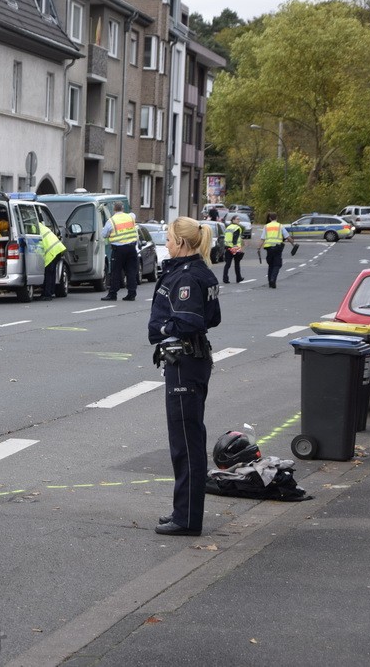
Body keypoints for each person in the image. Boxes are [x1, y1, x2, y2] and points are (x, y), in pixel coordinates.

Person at [148, 216, 221, 536]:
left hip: (185, 361)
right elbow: (214, 317)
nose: (165, 243)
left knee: (186, 444)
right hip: (190, 360)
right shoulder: (196, 271)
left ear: (182, 242)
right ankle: (183, 511)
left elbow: (190, 320)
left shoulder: (188, 277)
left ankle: (188, 519)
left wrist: (161, 329)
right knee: (185, 440)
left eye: (168, 239)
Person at [100, 201, 138, 302]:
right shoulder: (130, 217)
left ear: (114, 209)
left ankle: (113, 294)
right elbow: (133, 214)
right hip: (131, 248)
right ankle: (132, 294)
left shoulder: (111, 221)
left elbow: (103, 234)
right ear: (122, 208)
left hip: (118, 250)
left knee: (115, 272)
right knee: (131, 271)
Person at [259, 212, 295, 289]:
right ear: (277, 218)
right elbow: (287, 237)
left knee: (271, 265)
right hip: (277, 248)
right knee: (277, 265)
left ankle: (270, 282)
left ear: (269, 218)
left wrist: (259, 247)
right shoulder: (280, 226)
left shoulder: (266, 226)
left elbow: (262, 238)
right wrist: (293, 244)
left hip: (269, 248)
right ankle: (273, 279)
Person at [38, 219, 65, 301]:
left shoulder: (33, 228)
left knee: (49, 272)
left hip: (51, 251)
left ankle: (48, 294)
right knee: (52, 272)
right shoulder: (40, 225)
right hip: (57, 249)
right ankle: (50, 291)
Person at [222, 215, 245, 284]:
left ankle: (225, 278)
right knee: (237, 264)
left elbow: (226, 237)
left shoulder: (228, 227)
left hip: (227, 247)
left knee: (227, 264)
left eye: (239, 219)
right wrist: (236, 248)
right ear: (233, 220)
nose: (239, 220)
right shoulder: (237, 228)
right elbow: (235, 238)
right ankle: (238, 278)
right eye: (237, 219)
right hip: (234, 248)